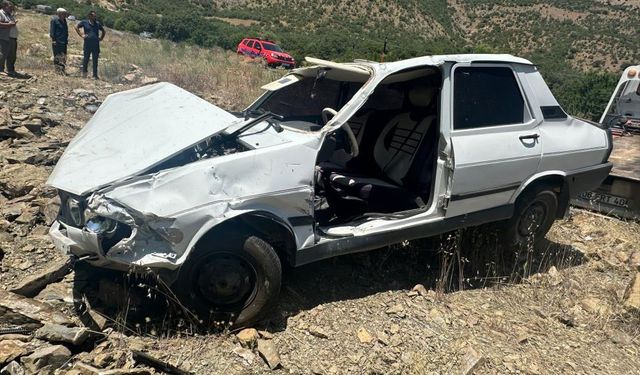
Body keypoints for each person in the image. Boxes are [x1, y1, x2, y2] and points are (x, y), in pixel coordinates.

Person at [75, 10, 105, 79]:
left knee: (95, 60)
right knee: (86, 59)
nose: (95, 17)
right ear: (90, 16)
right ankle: (84, 74)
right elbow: (76, 27)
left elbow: (103, 31)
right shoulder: (84, 22)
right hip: (87, 44)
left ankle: (95, 75)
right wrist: (81, 35)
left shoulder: (97, 23)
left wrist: (101, 38)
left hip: (95, 45)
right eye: (93, 16)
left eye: (95, 16)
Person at [0, 1, 18, 77]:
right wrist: (9, 24)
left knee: (12, 55)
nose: (11, 7)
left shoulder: (9, 13)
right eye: (9, 6)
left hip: (12, 37)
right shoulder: (1, 13)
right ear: (4, 6)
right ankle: (0, 70)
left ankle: (10, 69)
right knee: (2, 54)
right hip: (4, 37)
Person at [49, 8, 68, 75]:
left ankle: (62, 70)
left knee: (63, 56)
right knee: (57, 56)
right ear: (59, 13)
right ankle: (57, 71)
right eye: (64, 13)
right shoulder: (54, 20)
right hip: (57, 41)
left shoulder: (64, 21)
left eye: (65, 13)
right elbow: (52, 31)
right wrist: (53, 39)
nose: (65, 15)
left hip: (64, 42)